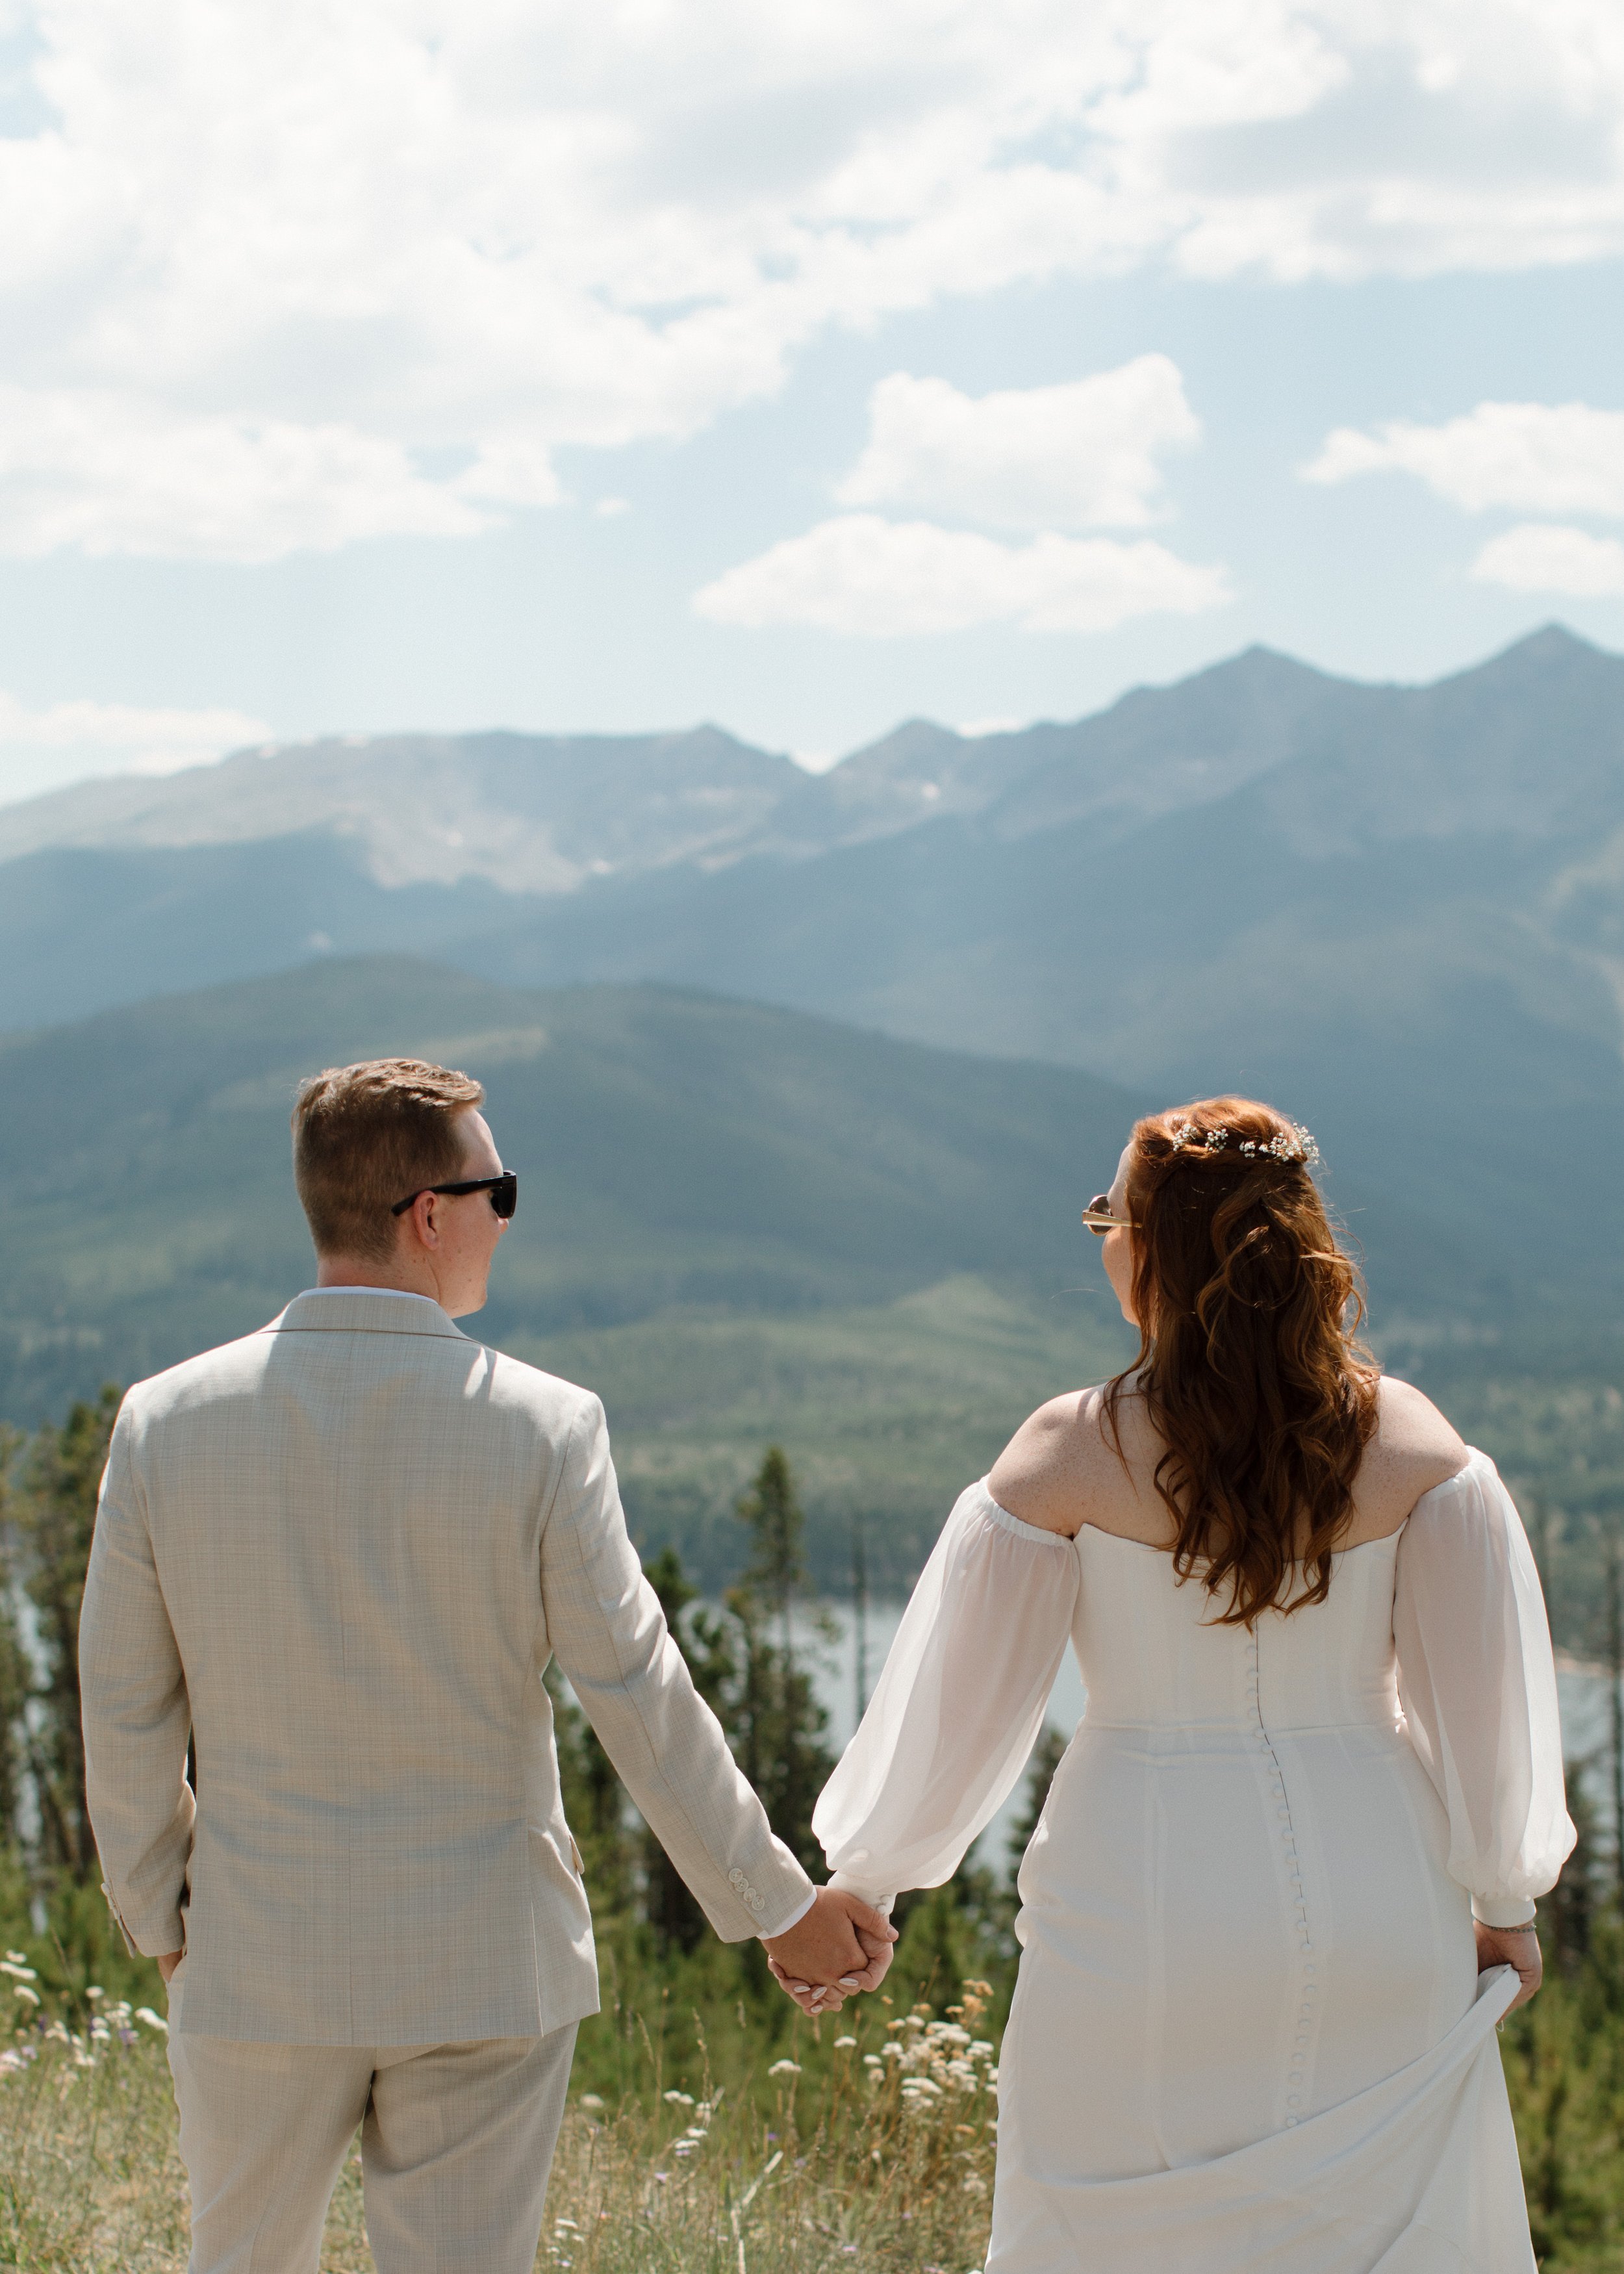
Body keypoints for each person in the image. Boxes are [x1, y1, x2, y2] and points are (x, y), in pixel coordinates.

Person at [79, 1056, 895, 2274]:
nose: (504, 1223)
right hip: (482, 1964)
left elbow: (125, 1706)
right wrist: (781, 1910)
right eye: (496, 1193)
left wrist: (159, 1914)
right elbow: (638, 1696)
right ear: (429, 1216)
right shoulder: (544, 1427)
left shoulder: (165, 1420)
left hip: (252, 1952)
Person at [794, 1096, 1573, 2272]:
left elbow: (961, 1708)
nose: (1104, 1235)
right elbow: (1489, 1710)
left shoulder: (1069, 1453)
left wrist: (871, 1880)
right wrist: (1504, 1902)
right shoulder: (1417, 1448)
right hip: (1381, 1893)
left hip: (1141, 1896)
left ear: (1151, 1249)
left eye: (1110, 1217)